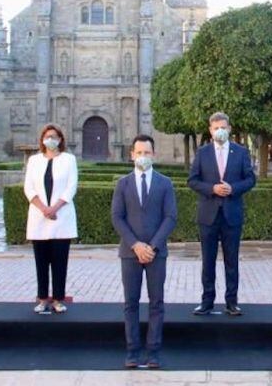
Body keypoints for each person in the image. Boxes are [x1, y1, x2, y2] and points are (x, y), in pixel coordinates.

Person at [111, 135, 178, 369]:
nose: (143, 157)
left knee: (156, 303)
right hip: (130, 253)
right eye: (139, 152)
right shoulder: (123, 184)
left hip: (156, 253)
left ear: (153, 155)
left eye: (147, 153)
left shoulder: (165, 183)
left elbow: (170, 217)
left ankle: (153, 353)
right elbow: (117, 217)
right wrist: (136, 245)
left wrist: (153, 246)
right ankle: (132, 352)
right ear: (132, 155)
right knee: (131, 303)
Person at [187, 111, 256, 316]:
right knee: (207, 261)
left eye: (223, 127)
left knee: (231, 260)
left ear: (229, 128)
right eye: (216, 127)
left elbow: (251, 179)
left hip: (231, 214)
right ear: (210, 130)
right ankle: (207, 301)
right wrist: (212, 189)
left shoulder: (241, 152)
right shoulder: (202, 153)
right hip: (208, 215)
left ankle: (231, 302)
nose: (220, 131)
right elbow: (192, 180)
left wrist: (233, 188)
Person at [24, 123, 78, 313]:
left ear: (61, 139)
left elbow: (71, 187)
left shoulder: (69, 160)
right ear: (42, 140)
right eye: (47, 136)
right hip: (39, 218)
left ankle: (58, 299)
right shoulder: (34, 161)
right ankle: (42, 299)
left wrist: (54, 207)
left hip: (61, 217)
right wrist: (44, 209)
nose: (51, 140)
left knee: (60, 261)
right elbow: (28, 188)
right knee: (41, 262)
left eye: (54, 136)